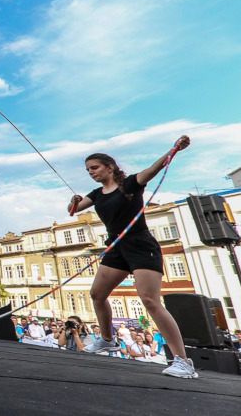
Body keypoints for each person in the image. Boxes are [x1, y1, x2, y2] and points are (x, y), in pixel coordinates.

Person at [69, 136, 198, 379]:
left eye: (94, 168)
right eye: (88, 170)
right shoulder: (97, 194)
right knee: (97, 294)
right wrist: (73, 201)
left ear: (110, 167)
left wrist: (174, 150)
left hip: (140, 244)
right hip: (116, 247)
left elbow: (153, 169)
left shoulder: (130, 184)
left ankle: (183, 361)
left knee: (150, 301)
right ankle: (107, 340)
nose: (91, 173)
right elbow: (74, 210)